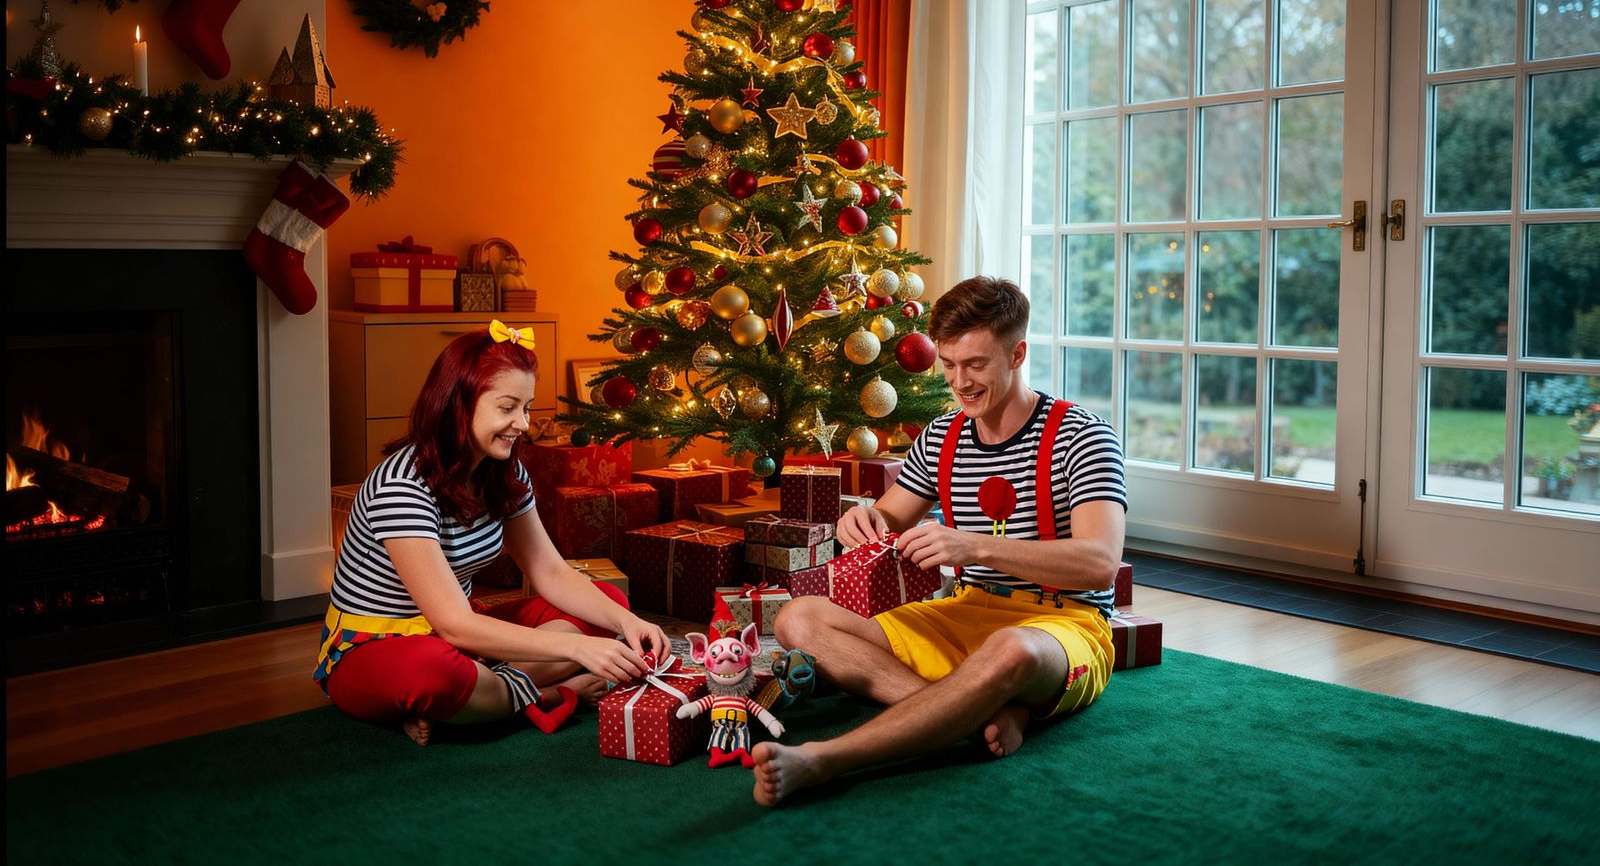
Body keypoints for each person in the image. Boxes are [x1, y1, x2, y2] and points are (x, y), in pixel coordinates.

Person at [754, 276, 1126, 805]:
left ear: (1017, 354)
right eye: (948, 365)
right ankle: (974, 714)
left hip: (1063, 624)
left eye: (975, 364)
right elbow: (889, 517)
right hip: (965, 611)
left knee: (1011, 649)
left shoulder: (1083, 434)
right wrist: (860, 520)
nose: (960, 382)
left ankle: (827, 758)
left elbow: (1099, 563)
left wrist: (973, 546)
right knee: (798, 619)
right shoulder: (942, 435)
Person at [314, 320, 668, 745]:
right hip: (377, 646)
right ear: (458, 405)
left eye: (526, 407)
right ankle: (546, 694)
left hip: (464, 642)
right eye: (507, 407)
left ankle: (476, 699)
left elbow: (551, 572)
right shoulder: (402, 486)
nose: (523, 423)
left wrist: (629, 622)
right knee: (435, 672)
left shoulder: (504, 471)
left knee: (608, 602)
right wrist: (576, 650)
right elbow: (453, 624)